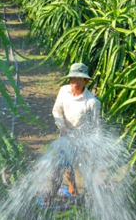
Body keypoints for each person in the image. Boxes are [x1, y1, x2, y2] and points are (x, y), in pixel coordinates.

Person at [43, 62, 101, 206]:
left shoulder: (92, 102)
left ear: (86, 81)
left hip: (81, 139)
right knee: (64, 165)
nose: (75, 82)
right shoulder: (63, 91)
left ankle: (51, 198)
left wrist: (92, 147)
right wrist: (61, 126)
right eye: (73, 78)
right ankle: (71, 190)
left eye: (79, 79)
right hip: (65, 135)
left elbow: (96, 127)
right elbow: (56, 110)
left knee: (63, 166)